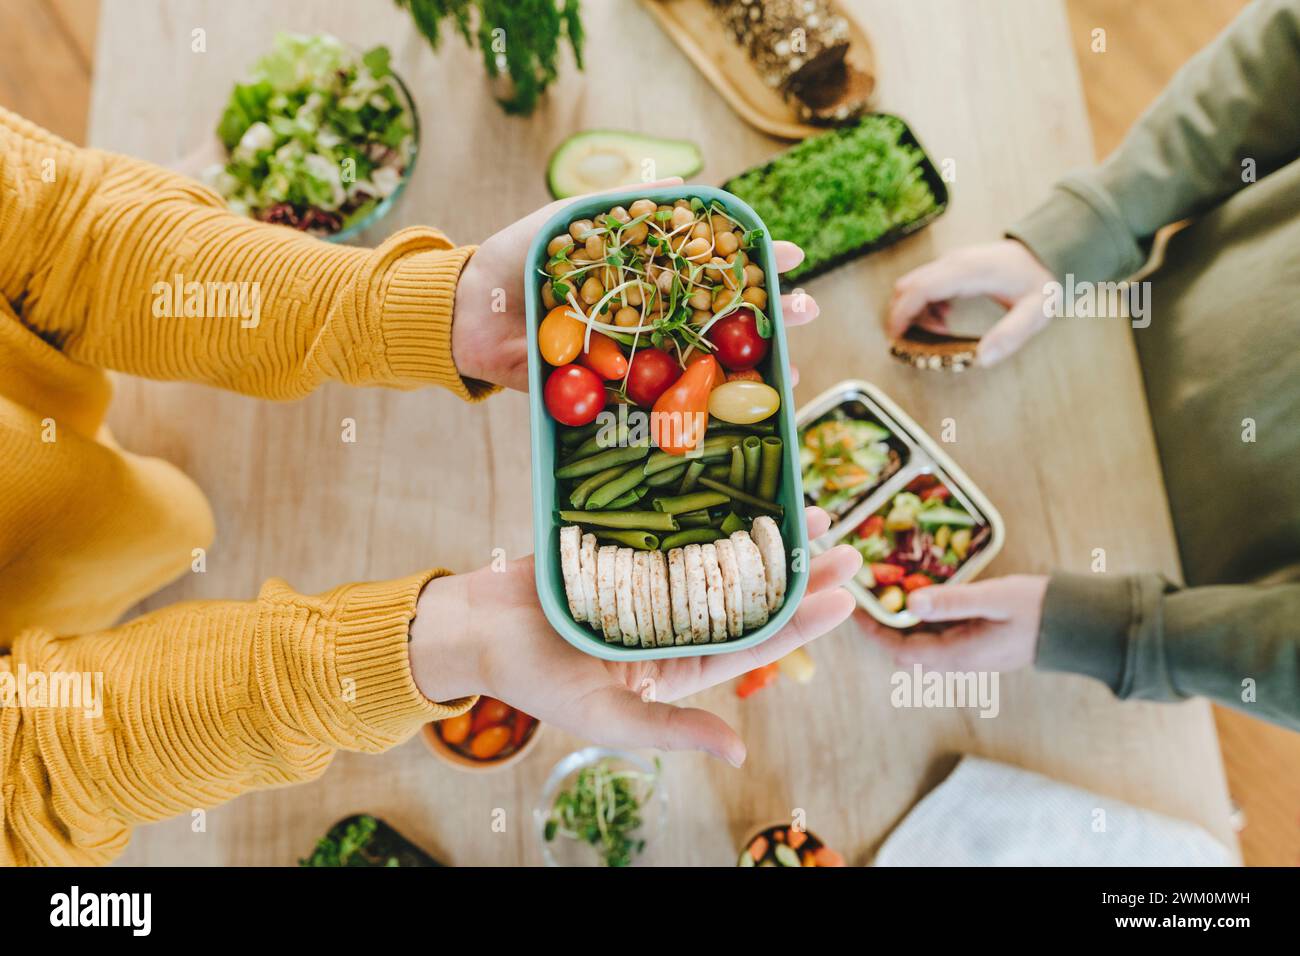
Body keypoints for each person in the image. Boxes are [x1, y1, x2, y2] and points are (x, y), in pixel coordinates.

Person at [0, 106, 862, 865]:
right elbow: (28, 770)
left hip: (77, 494)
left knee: (165, 522)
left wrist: (426, 305)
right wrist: (433, 644)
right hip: (87, 685)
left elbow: (62, 236)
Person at [864, 0, 1299, 729]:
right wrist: (1082, 233)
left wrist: (1122, 634)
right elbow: (1286, 49)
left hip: (1176, 585)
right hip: (1111, 332)